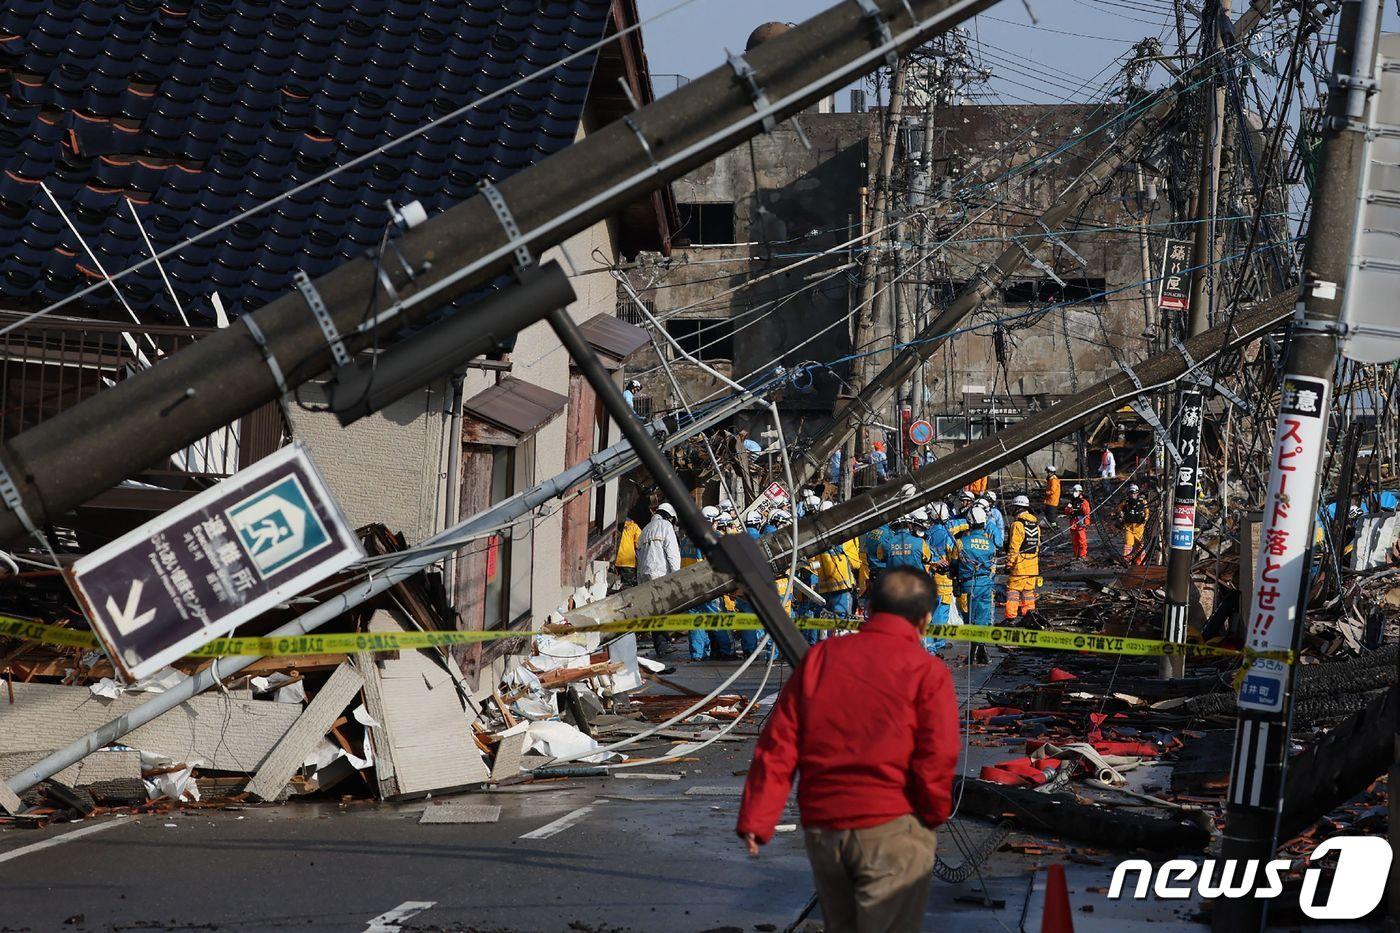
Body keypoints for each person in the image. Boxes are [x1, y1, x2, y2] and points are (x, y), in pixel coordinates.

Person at [737, 568, 959, 933]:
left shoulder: (821, 658)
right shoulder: (927, 671)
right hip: (891, 827)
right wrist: (932, 814)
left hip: (825, 833)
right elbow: (937, 756)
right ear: (925, 618)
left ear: (868, 607)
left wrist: (758, 819)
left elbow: (779, 745)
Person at [689, 507, 735, 661]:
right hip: (708, 585)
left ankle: (698, 654)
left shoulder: (687, 538)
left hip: (688, 588)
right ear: (712, 521)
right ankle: (727, 651)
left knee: (697, 621)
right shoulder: (712, 537)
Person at [954, 503, 997, 663]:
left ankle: (975, 652)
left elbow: (953, 565)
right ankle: (981, 650)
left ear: (969, 523)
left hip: (967, 585)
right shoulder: (990, 545)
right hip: (985, 585)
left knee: (969, 619)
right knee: (983, 617)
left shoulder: (960, 543)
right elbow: (992, 565)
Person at [637, 503, 681, 656]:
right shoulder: (665, 526)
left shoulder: (645, 530)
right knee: (661, 611)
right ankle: (663, 645)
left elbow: (639, 559)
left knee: (655, 611)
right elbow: (672, 552)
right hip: (661, 575)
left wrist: (639, 583)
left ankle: (663, 642)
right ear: (669, 516)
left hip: (645, 576)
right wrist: (677, 576)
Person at [1004, 495, 1041, 621]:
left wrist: (1009, 565)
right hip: (1033, 566)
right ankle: (1029, 616)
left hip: (1019, 567)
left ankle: (1011, 618)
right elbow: (1037, 546)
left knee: (1013, 593)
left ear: (1018, 508)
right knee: (1029, 593)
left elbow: (1014, 548)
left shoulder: (1017, 524)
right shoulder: (1035, 524)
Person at [1118, 484, 1149, 565]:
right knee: (1128, 544)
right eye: (1131, 493)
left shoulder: (1143, 502)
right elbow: (1119, 509)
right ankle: (1126, 561)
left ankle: (1140, 562)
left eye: (1134, 493)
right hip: (1129, 527)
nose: (1133, 494)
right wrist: (1120, 514)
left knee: (1140, 545)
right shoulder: (1126, 502)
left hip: (1139, 527)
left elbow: (1147, 512)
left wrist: (1145, 519)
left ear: (1137, 493)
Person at [1063, 484, 1091, 561]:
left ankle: (1083, 555)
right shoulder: (1072, 501)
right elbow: (1066, 511)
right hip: (1073, 523)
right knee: (1074, 540)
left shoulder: (1084, 502)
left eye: (1076, 491)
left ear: (1080, 492)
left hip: (1080, 522)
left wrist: (1086, 523)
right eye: (1074, 491)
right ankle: (1076, 555)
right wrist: (1069, 507)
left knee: (1082, 539)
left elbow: (1087, 513)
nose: (1074, 493)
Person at [614, 514, 641, 588]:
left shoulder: (614, 525)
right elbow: (638, 544)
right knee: (627, 587)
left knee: (614, 587)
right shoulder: (634, 526)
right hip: (628, 561)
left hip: (615, 560)